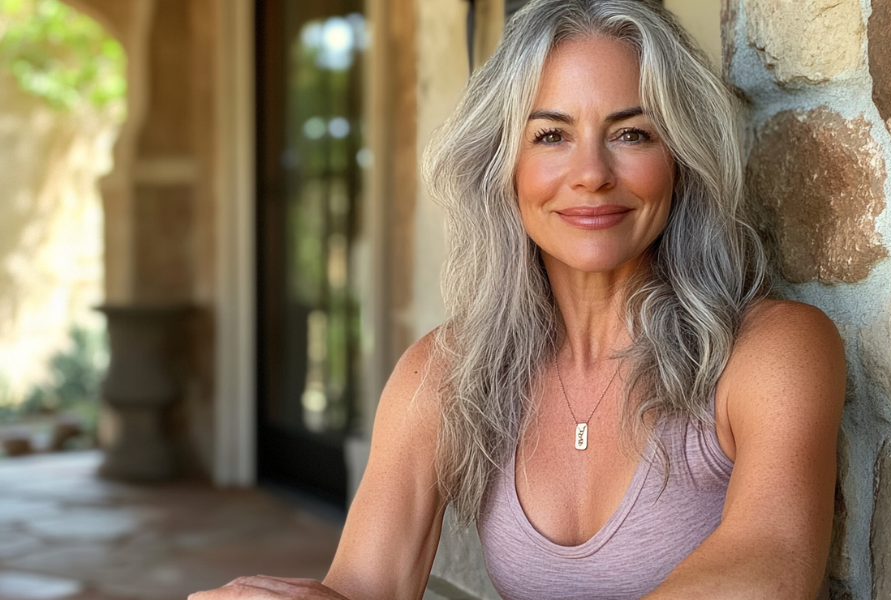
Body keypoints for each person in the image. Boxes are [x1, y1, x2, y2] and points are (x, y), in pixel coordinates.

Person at [191, 0, 845, 598]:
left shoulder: (773, 351)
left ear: (680, 159)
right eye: (551, 135)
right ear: (503, 166)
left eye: (632, 133)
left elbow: (766, 567)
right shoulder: (443, 373)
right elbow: (366, 586)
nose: (591, 173)